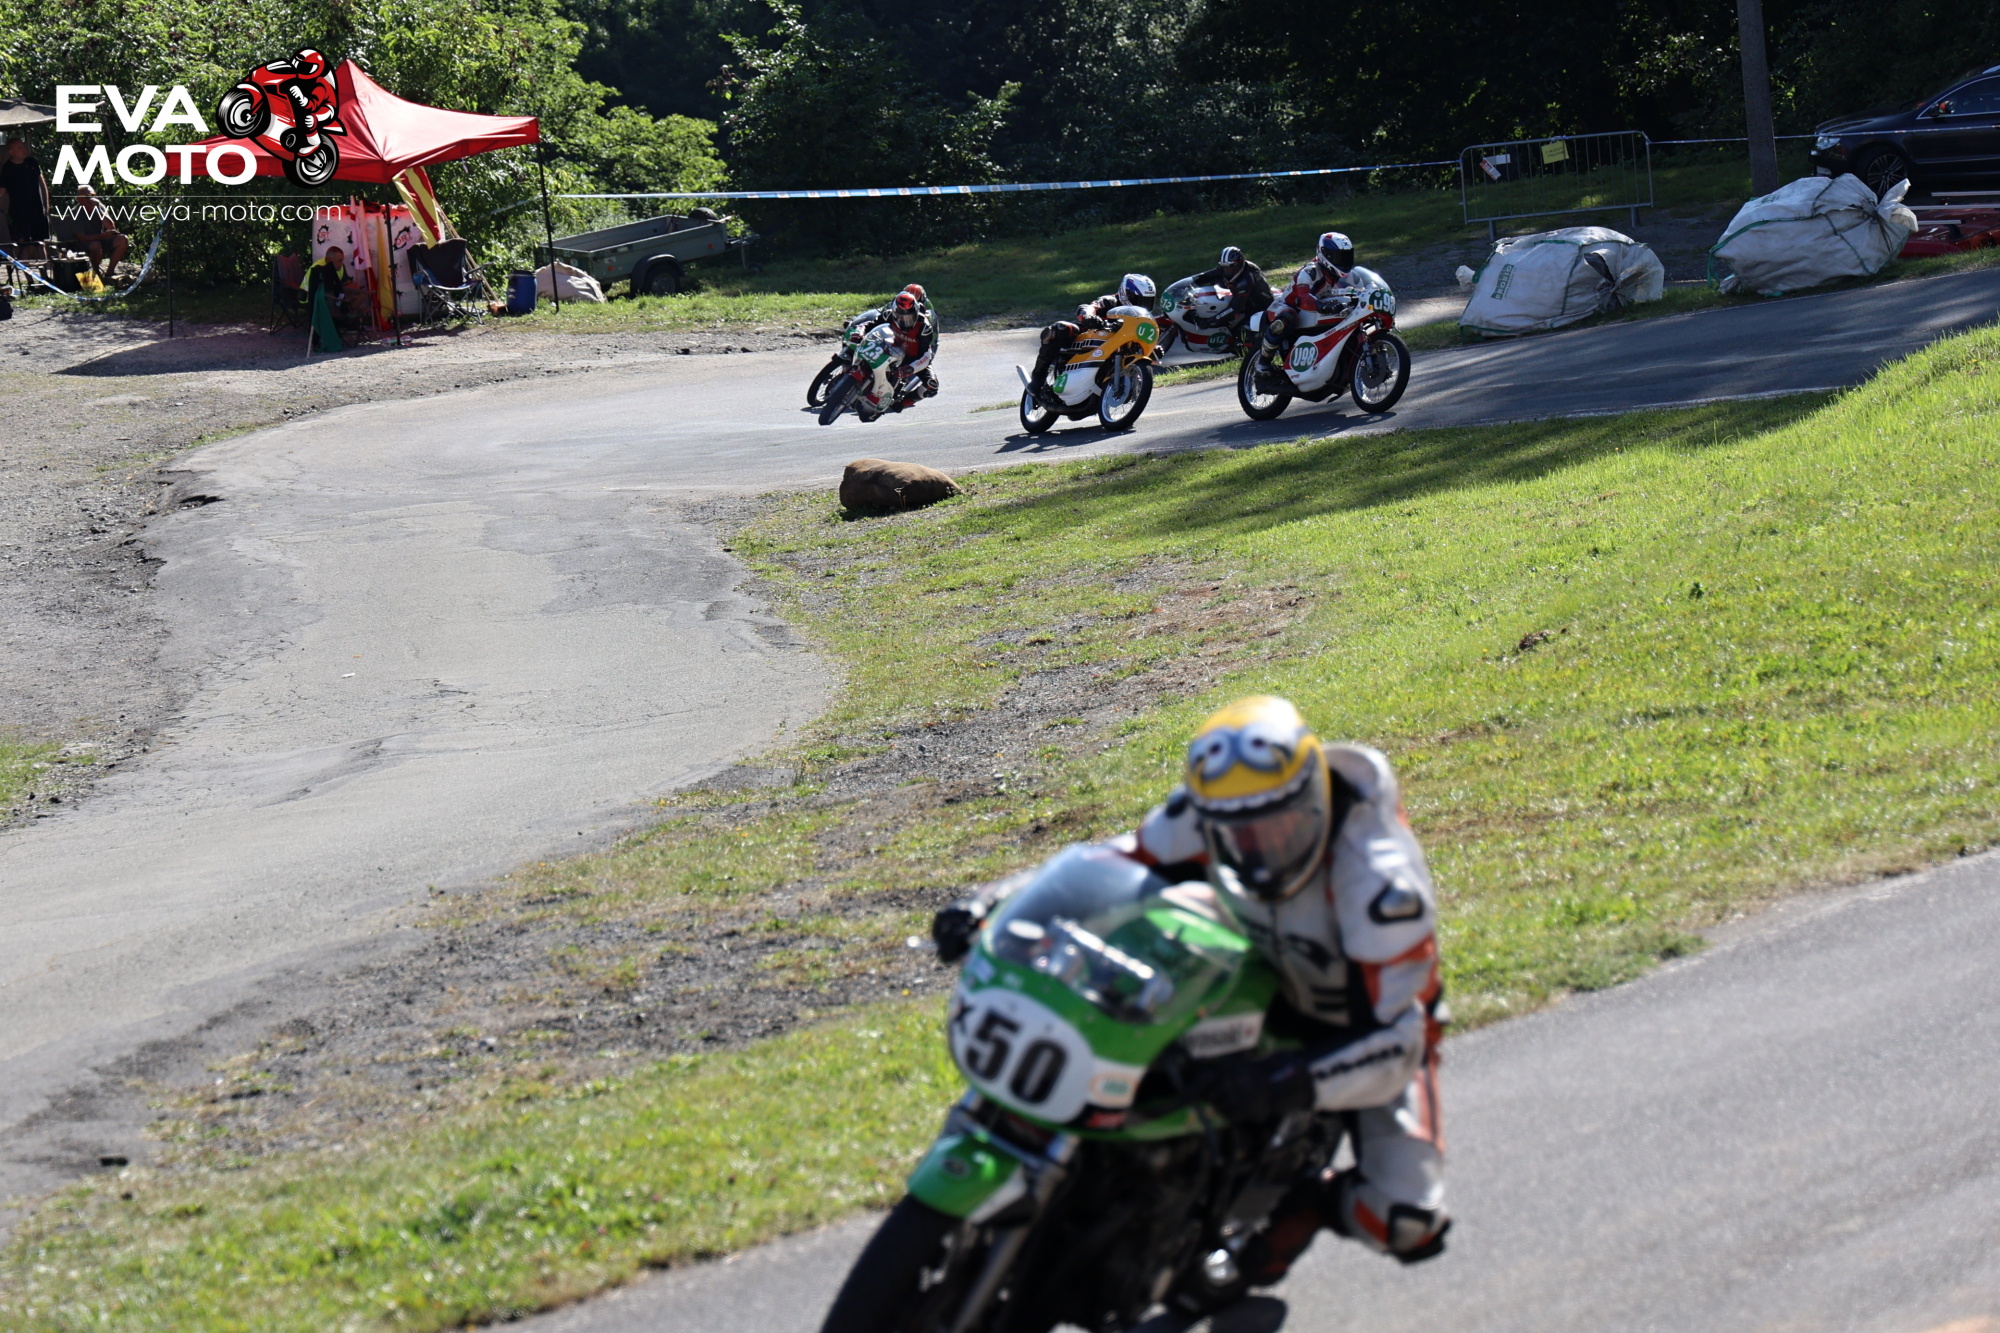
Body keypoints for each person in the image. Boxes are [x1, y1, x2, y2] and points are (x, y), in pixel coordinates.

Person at [933, 694, 1448, 1293]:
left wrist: (1285, 1081)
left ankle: (1304, 1208)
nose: (1257, 846)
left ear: (1315, 799)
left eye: (1277, 825)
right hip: (1245, 976)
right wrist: (992, 902)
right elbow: (1112, 864)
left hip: (1356, 1027)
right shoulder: (1210, 812)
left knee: (1406, 1220)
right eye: (1238, 833)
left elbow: (1400, 1041)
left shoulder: (1382, 884)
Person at [1027, 272, 1157, 406]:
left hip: (1117, 347)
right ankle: (1038, 375)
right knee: (1060, 328)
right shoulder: (1110, 301)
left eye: (1148, 301)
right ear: (1126, 294)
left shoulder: (1141, 318)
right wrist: (1088, 316)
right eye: (1138, 299)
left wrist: (1153, 347)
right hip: (1090, 336)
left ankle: (1122, 386)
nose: (1142, 305)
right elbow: (1090, 307)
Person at [1259, 231, 1362, 373]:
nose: (1343, 261)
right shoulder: (1310, 271)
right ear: (1325, 255)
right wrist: (1322, 306)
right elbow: (1304, 298)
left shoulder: (1344, 276)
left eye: (1346, 256)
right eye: (1339, 257)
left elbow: (1359, 289)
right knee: (1288, 316)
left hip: (1314, 313)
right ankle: (1262, 363)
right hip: (1286, 306)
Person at [1187, 245, 1273, 328]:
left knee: (1241, 332)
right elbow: (1207, 276)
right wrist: (1188, 282)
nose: (1227, 270)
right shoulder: (1224, 269)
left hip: (1259, 309)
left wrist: (1209, 322)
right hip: (1242, 303)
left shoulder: (1246, 279)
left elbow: (1234, 309)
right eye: (1224, 266)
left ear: (1238, 264)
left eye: (1230, 266)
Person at [880, 288, 939, 407]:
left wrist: (911, 368)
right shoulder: (889, 313)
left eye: (909, 317)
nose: (905, 320)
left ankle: (902, 403)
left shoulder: (924, 326)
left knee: (932, 385)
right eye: (901, 316)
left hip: (912, 355)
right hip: (891, 346)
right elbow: (871, 324)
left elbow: (926, 353)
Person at [0, 136, 52, 263]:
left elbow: (42, 183)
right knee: (24, 245)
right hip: (19, 212)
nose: (23, 150)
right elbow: (2, 192)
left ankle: (45, 272)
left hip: (37, 210)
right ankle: (27, 273)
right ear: (11, 151)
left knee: (40, 243)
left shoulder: (31, 162)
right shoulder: (7, 168)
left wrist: (46, 204)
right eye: (19, 148)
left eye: (23, 146)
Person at [72, 185, 129, 283]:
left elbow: (111, 227)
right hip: (84, 244)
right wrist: (103, 236)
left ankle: (110, 272)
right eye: (87, 196)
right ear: (79, 199)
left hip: (100, 239)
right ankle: (96, 272)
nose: (91, 198)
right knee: (96, 244)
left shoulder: (99, 206)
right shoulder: (75, 212)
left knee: (122, 239)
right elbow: (82, 238)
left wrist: (98, 210)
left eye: (93, 195)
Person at [305, 245, 365, 328]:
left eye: (342, 260)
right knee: (352, 297)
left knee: (360, 295)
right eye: (339, 260)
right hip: (315, 301)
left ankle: (347, 317)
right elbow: (320, 292)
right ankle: (345, 319)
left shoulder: (339, 267)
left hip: (333, 297)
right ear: (328, 260)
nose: (341, 263)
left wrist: (356, 289)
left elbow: (345, 283)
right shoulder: (318, 269)